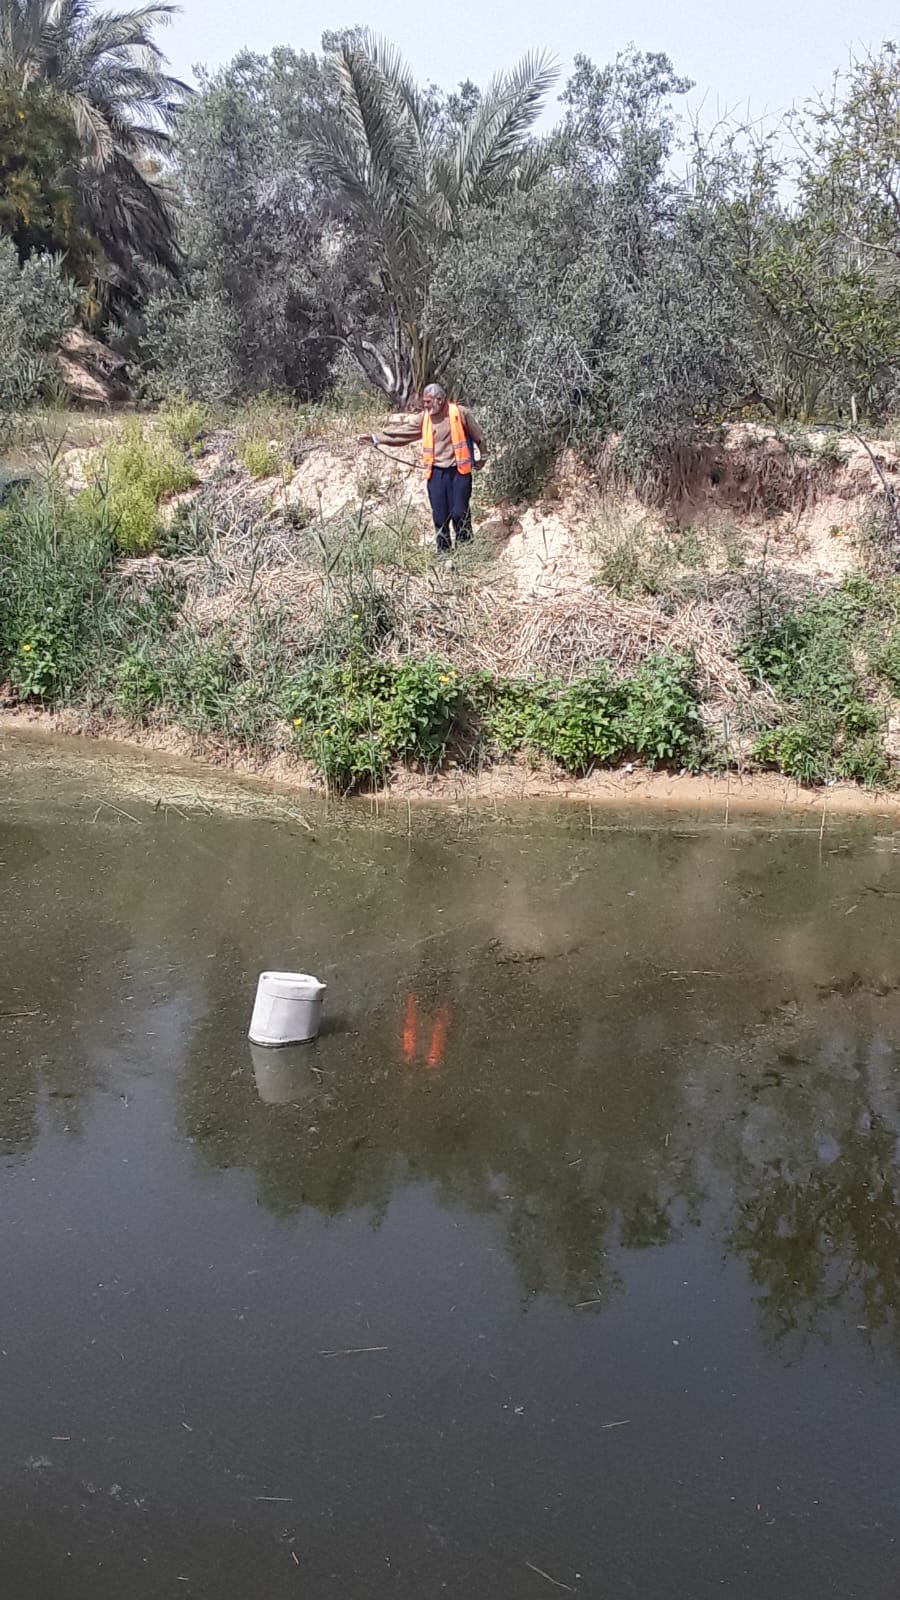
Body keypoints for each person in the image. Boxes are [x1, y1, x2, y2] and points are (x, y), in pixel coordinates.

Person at [359, 384, 488, 552]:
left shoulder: (460, 413)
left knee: (459, 513)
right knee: (440, 516)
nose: (425, 405)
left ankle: (466, 552)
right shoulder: (424, 418)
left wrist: (483, 457)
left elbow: (479, 436)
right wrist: (377, 438)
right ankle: (444, 554)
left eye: (428, 402)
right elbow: (403, 433)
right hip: (436, 474)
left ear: (440, 400)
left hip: (459, 473)